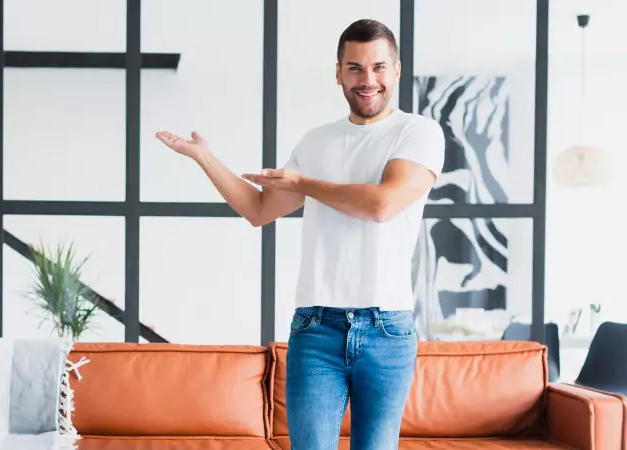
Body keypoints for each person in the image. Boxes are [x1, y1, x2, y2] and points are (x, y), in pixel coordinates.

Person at [155, 18, 444, 450]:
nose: (368, 80)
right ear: (338, 72)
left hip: (387, 329)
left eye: (379, 68)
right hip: (316, 327)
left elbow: (382, 205)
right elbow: (258, 209)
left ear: (397, 70)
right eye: (355, 68)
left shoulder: (418, 132)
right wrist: (205, 158)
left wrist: (304, 184)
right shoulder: (317, 142)